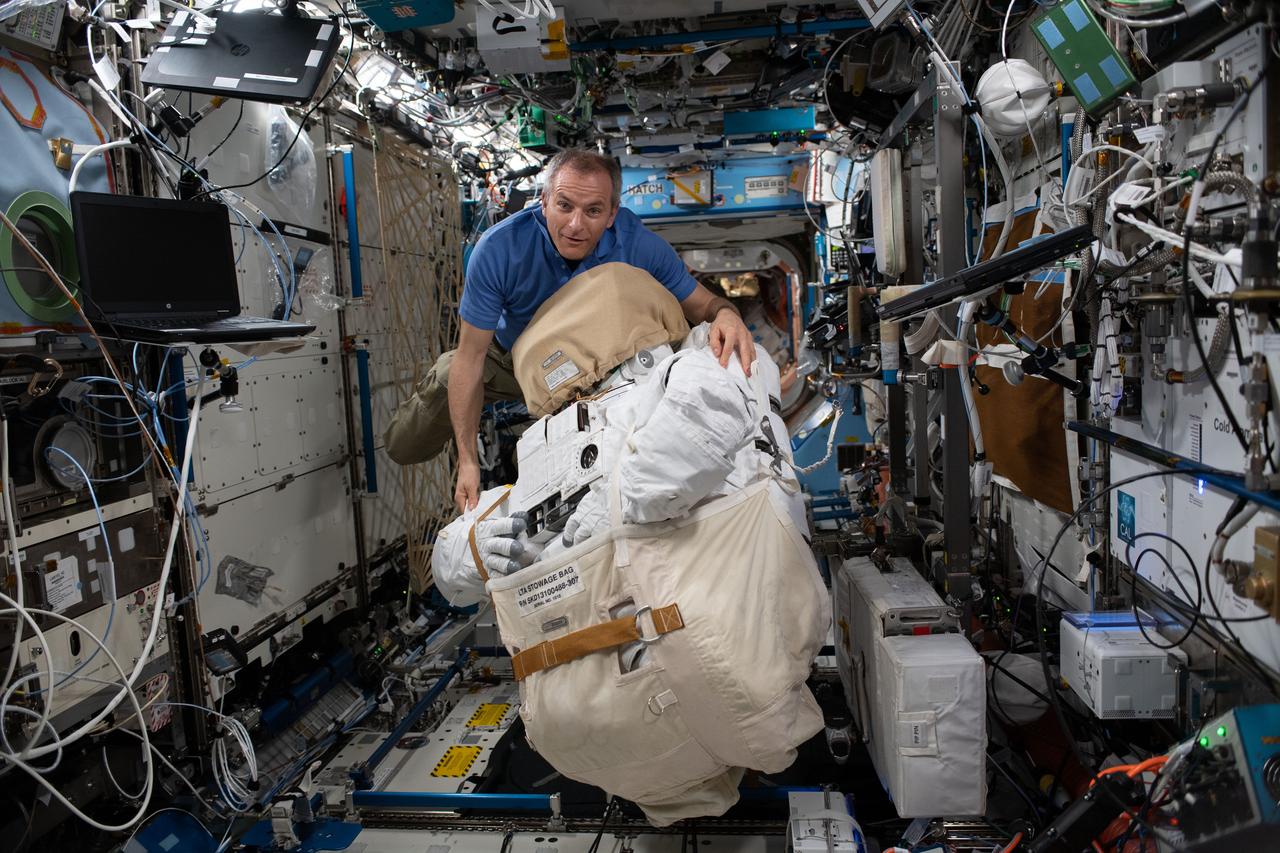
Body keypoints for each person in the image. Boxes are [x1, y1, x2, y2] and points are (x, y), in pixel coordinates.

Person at [381, 149, 754, 512]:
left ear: (611, 215)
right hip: (517, 363)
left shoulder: (638, 246)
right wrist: (467, 462)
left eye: (593, 211)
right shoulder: (500, 249)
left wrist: (728, 316)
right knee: (435, 398)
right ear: (543, 203)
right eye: (565, 206)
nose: (576, 225)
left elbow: (708, 306)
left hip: (604, 368)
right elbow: (471, 356)